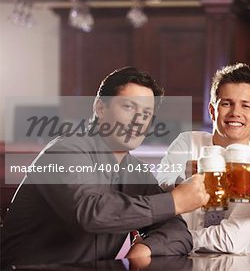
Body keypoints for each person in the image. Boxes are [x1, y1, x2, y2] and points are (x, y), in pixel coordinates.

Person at [1, 67, 209, 267]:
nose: (138, 121)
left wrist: (146, 248)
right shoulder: (65, 152)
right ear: (100, 108)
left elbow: (178, 231)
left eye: (146, 114)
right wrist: (174, 201)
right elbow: (93, 213)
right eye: (129, 107)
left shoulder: (136, 172)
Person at [156, 63, 250, 253]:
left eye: (246, 105)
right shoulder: (187, 142)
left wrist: (173, 241)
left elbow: (232, 241)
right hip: (171, 262)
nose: (235, 113)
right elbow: (158, 190)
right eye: (226, 103)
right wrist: (184, 179)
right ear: (212, 110)